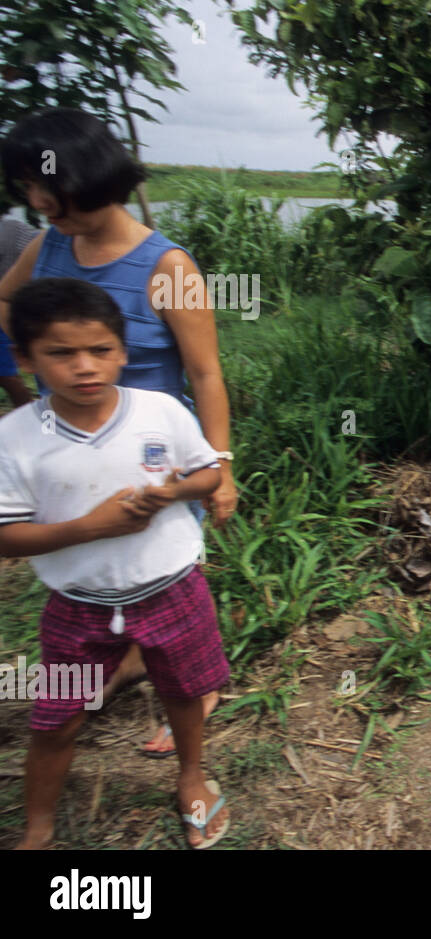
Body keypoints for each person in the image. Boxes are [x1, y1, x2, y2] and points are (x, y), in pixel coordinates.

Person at [0, 108, 235, 753]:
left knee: (169, 569)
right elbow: (5, 302)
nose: (40, 202)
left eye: (50, 189)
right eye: (28, 190)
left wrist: (219, 465)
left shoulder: (168, 268)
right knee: (94, 564)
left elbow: (206, 373)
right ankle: (126, 654)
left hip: (155, 452)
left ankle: (194, 687)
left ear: (94, 174)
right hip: (67, 447)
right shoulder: (49, 245)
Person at [0, 278, 231, 848]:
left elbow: (207, 472)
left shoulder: (159, 410)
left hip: (174, 590)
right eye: (61, 353)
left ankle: (192, 776)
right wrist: (89, 528)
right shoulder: (17, 437)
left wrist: (173, 493)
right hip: (78, 608)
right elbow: (7, 537)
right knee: (56, 718)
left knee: (182, 691)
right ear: (26, 358)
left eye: (100, 351)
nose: (85, 367)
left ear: (123, 352)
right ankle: (38, 826)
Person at [0, 217, 38, 408]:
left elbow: (40, 255)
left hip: (7, 311)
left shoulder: (13, 230)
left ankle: (39, 424)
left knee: (7, 376)